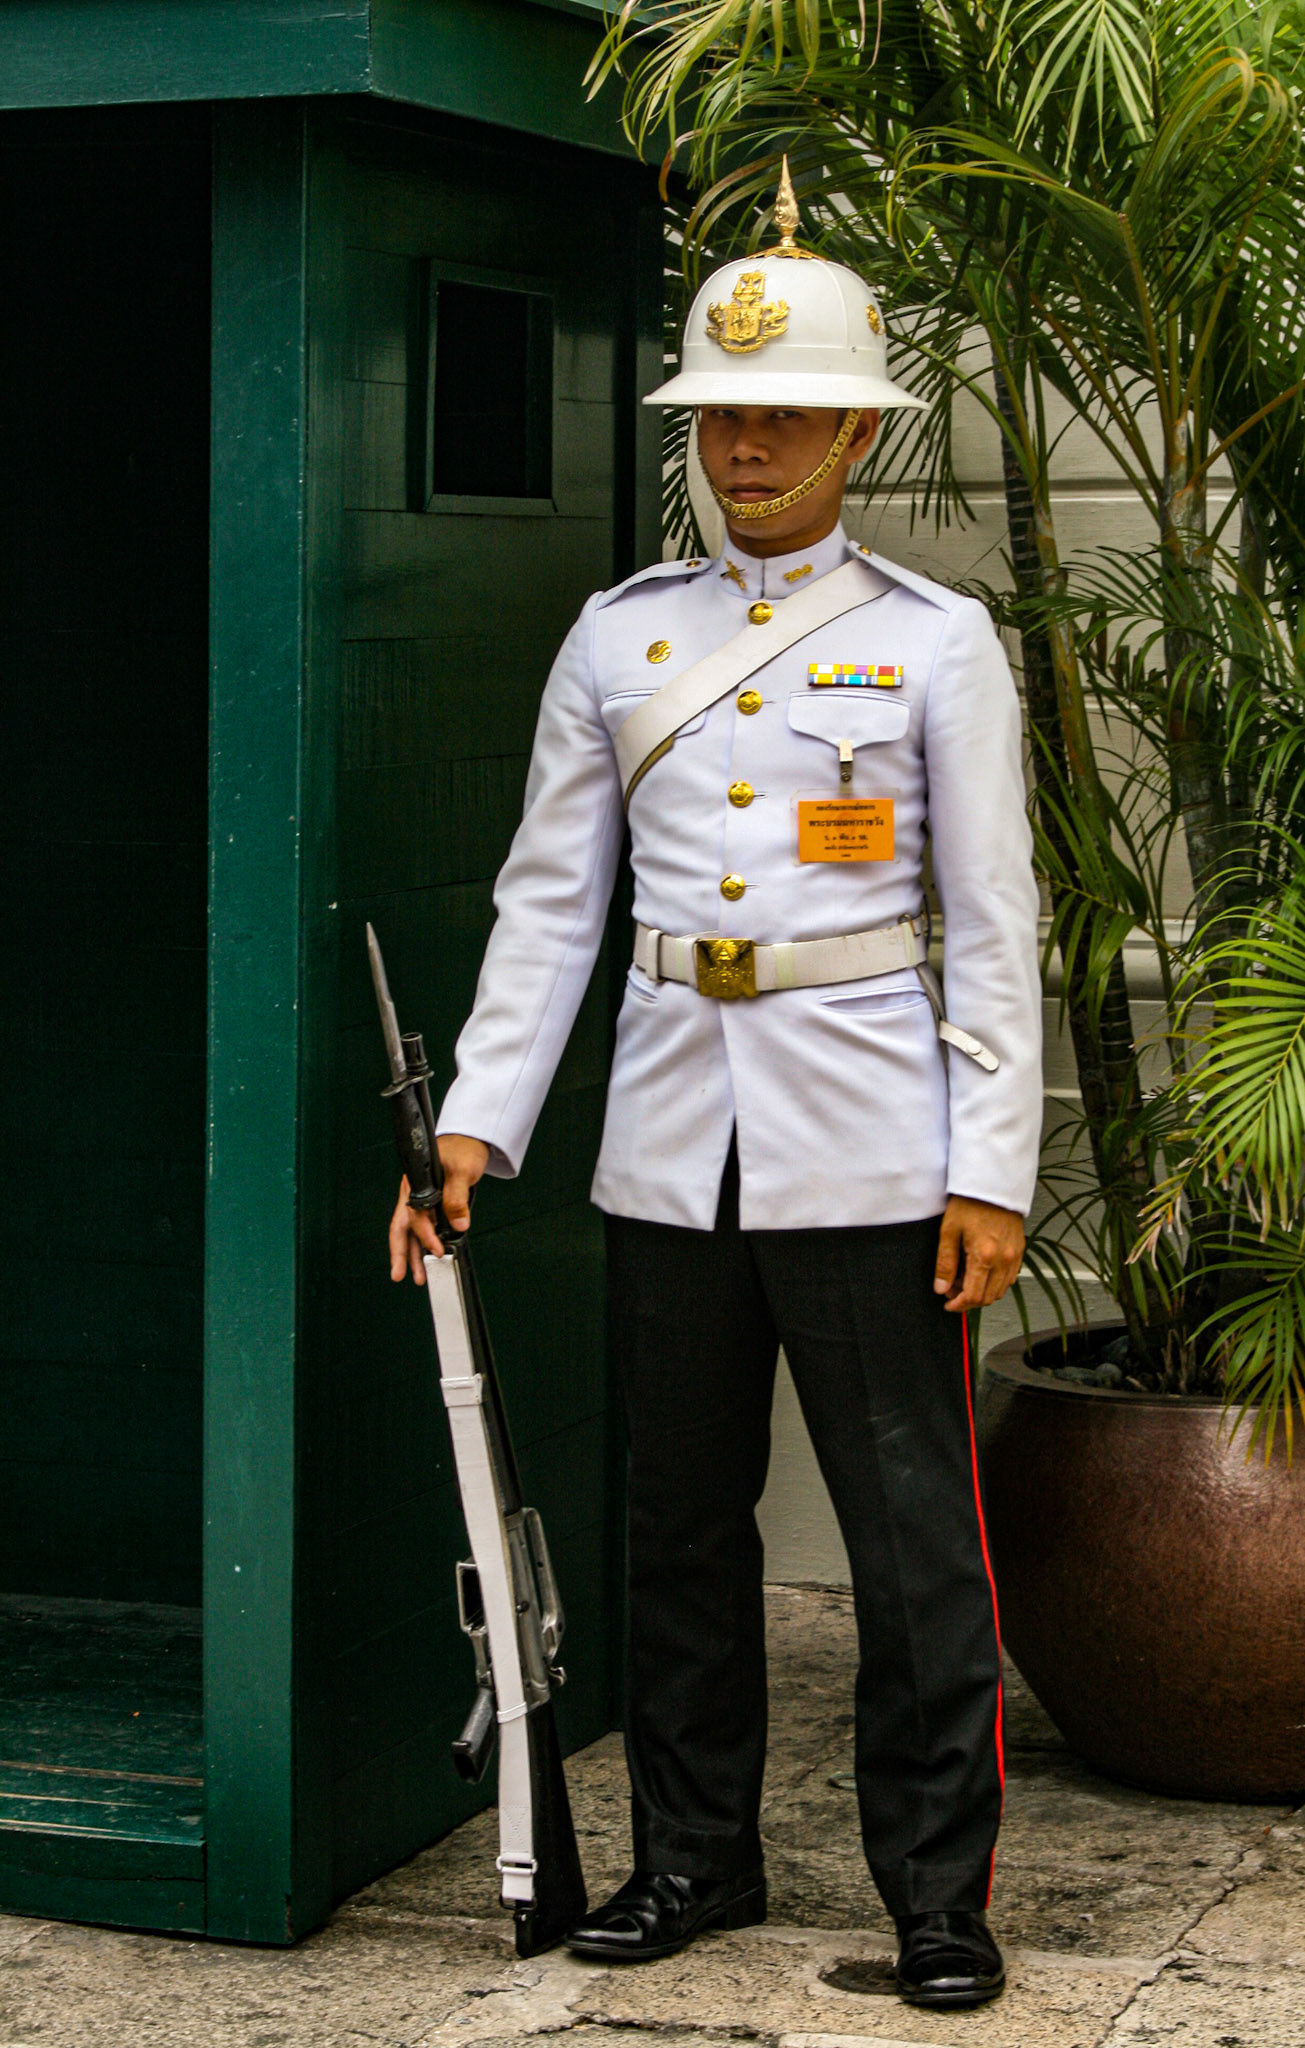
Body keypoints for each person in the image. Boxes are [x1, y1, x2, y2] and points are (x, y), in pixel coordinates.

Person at [388, 168, 1042, 2013]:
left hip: (871, 1149)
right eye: (718, 415)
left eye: (780, 413)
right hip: (672, 1145)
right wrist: (472, 1132)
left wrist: (988, 1167)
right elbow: (550, 899)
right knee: (677, 1527)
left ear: (850, 427)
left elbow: (993, 930)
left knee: (913, 1544)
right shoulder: (622, 637)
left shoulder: (932, 643)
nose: (745, 445)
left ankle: (937, 1895)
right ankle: (696, 1858)